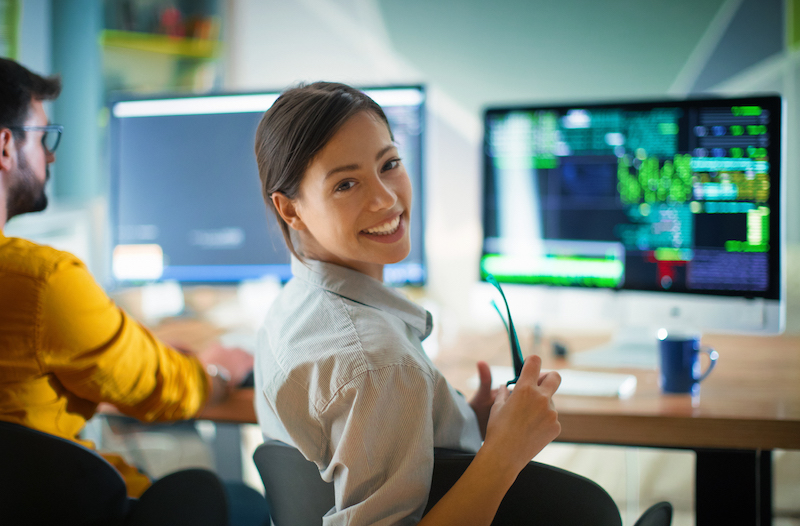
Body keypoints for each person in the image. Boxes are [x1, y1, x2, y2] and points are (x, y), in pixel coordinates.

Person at [253, 81, 562, 525]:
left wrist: (453, 427)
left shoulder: (290, 307)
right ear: (291, 210)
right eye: (345, 184)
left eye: (389, 163)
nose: (385, 198)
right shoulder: (379, 364)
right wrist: (504, 453)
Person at [0, 57, 267, 524]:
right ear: (5, 145)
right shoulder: (42, 282)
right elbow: (162, 391)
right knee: (252, 504)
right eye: (44, 137)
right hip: (75, 509)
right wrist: (217, 371)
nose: (52, 155)